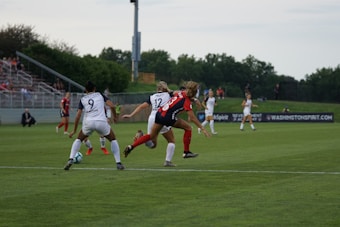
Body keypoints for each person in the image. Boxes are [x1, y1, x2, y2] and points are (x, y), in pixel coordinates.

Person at [123, 81, 211, 159]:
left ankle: (131, 146)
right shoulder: (186, 102)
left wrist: (195, 100)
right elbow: (192, 118)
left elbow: (180, 94)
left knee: (151, 136)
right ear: (195, 92)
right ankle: (186, 152)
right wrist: (202, 128)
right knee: (188, 128)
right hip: (168, 117)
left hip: (159, 114)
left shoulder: (181, 93)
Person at [64, 81, 124, 170]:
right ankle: (118, 163)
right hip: (101, 122)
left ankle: (70, 159)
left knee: (79, 139)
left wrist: (74, 130)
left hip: (88, 123)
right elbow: (111, 106)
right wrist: (115, 117)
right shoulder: (99, 95)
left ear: (85, 90)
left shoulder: (83, 99)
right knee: (113, 139)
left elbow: (78, 116)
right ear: (94, 89)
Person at [122, 81, 177, 167]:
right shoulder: (169, 95)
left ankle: (141, 137)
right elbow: (179, 94)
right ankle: (167, 161)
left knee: (153, 144)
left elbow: (141, 106)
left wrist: (130, 115)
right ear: (164, 88)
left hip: (152, 118)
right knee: (171, 140)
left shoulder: (152, 97)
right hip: (162, 116)